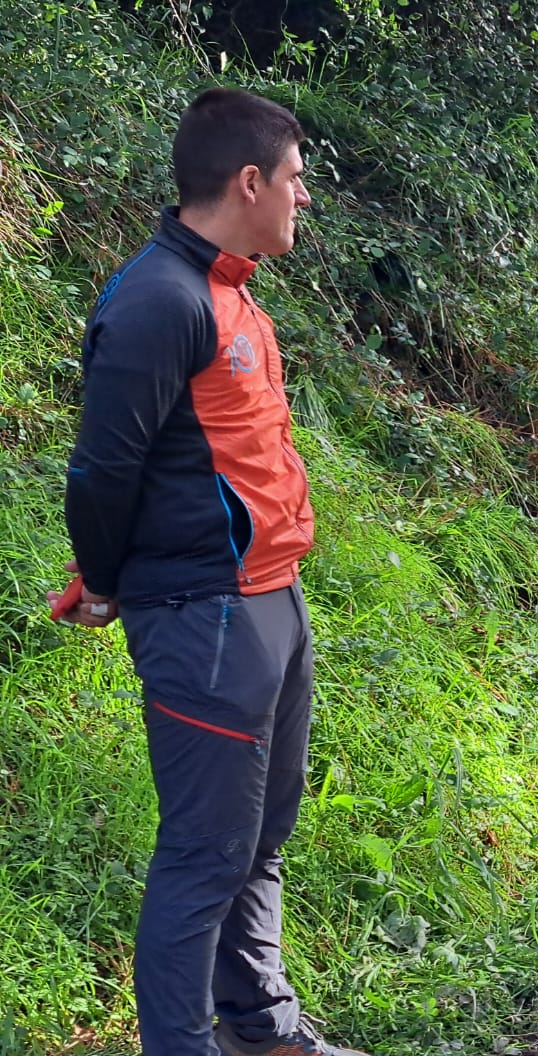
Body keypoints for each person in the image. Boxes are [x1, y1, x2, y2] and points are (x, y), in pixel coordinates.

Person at [51, 89, 366, 1056]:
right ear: (248, 181)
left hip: (271, 599)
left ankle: (261, 1028)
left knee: (261, 837)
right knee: (204, 853)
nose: (303, 197)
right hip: (202, 613)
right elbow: (104, 466)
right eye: (297, 178)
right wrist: (104, 578)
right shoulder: (159, 299)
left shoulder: (229, 288)